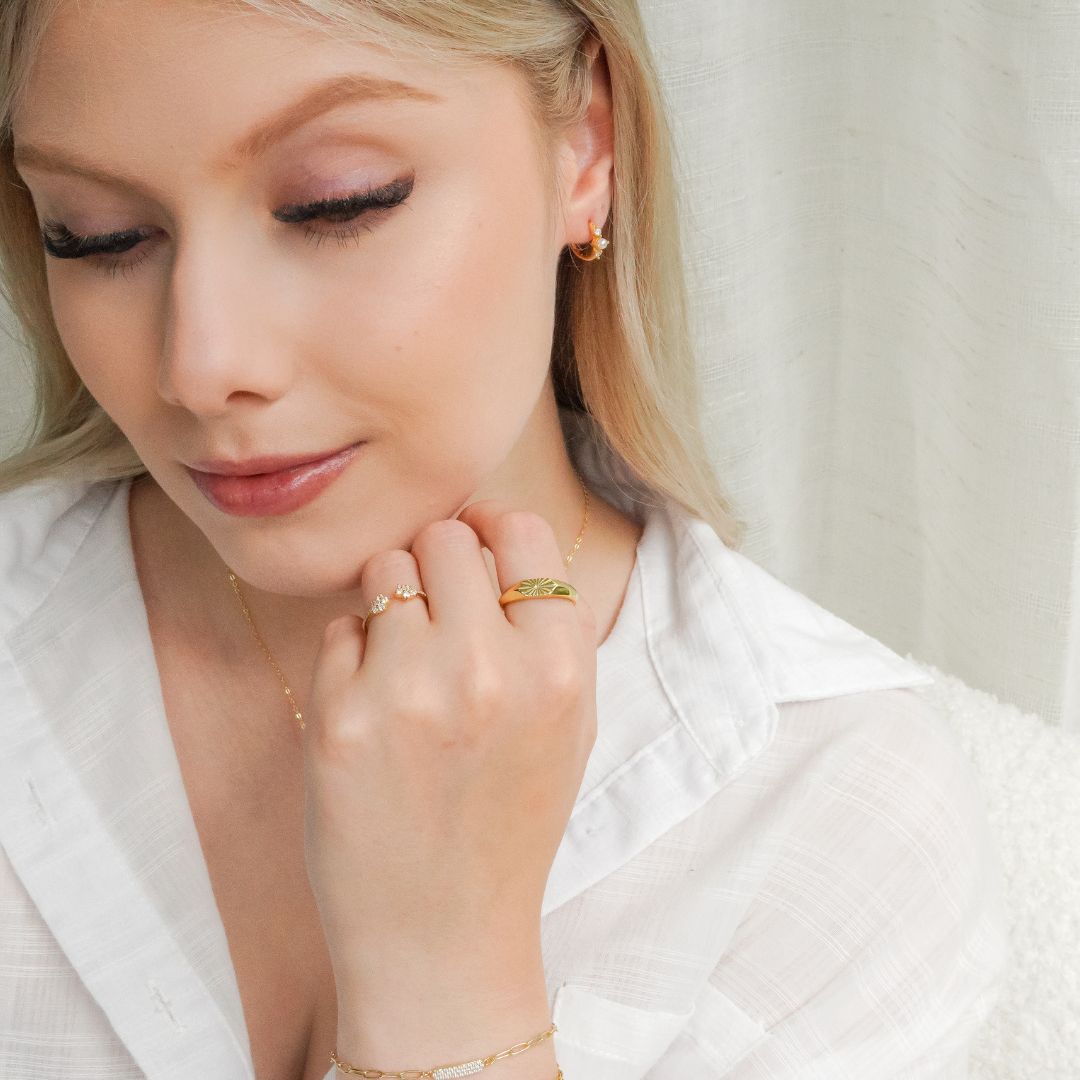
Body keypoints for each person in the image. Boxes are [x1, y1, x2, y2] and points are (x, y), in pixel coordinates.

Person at [0, 1, 1008, 1078]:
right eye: (96, 234)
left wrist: (450, 988)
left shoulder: (835, 819)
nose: (202, 366)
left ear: (586, 146)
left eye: (338, 203)